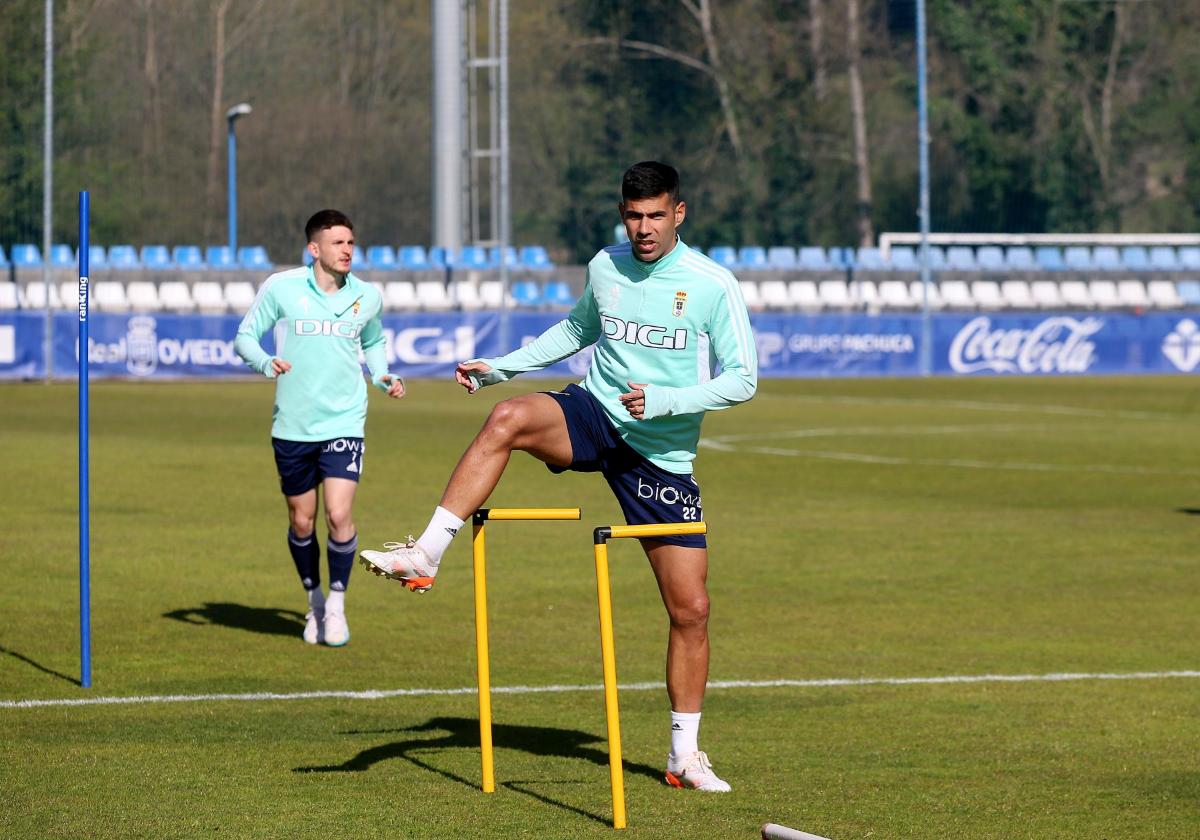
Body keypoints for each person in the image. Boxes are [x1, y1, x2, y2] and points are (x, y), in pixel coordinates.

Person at [361, 162, 757, 792]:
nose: (644, 228)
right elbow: (579, 329)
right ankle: (427, 552)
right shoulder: (606, 266)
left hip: (659, 454)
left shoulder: (712, 284)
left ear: (679, 213)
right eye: (633, 216)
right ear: (622, 214)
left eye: (656, 215)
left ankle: (685, 755)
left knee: (691, 610)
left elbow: (742, 378)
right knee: (507, 417)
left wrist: (664, 401)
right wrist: (503, 368)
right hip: (594, 412)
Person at [235, 209, 405, 647]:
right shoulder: (282, 287)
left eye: (351, 242)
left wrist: (382, 374)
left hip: (345, 419)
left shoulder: (367, 296)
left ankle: (337, 604)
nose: (347, 250)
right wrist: (264, 362)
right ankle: (312, 602)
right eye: (337, 243)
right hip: (292, 425)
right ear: (314, 249)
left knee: (339, 513)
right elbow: (245, 338)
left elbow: (373, 341)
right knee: (302, 519)